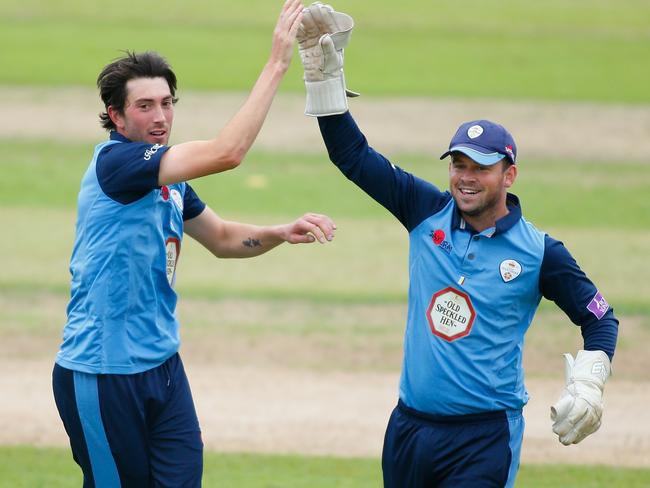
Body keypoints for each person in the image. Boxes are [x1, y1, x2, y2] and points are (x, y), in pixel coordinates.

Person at [295, 3, 619, 487]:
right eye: (458, 165)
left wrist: (590, 381)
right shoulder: (426, 211)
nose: (465, 179)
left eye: (480, 168)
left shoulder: (540, 252)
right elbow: (352, 156)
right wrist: (324, 82)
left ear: (508, 174)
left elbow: (600, 318)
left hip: (483, 437)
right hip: (409, 428)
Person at [51, 1, 337, 486]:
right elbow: (229, 152)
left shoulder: (167, 180)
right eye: (145, 106)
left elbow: (223, 238)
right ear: (115, 116)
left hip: (163, 368)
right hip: (103, 373)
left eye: (167, 103)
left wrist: (278, 233)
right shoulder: (118, 165)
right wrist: (277, 64)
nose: (160, 116)